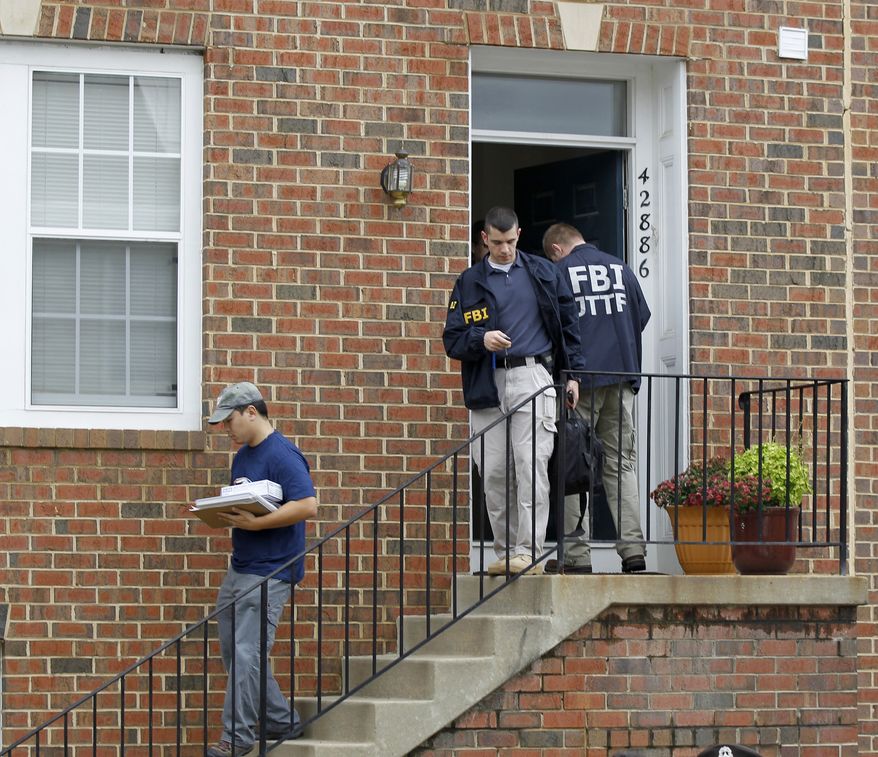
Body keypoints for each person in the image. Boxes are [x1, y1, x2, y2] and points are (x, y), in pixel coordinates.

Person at [443, 206, 585, 575]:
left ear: (519, 234)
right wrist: (482, 338)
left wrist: (572, 375)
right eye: (497, 242)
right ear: (484, 239)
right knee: (492, 473)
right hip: (486, 383)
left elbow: (568, 324)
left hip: (533, 375)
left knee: (531, 466)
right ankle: (506, 552)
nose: (505, 249)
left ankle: (528, 550)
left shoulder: (543, 272)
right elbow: (452, 339)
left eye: (510, 241)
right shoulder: (469, 281)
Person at [204, 382, 318, 757]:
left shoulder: (283, 454)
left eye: (230, 420)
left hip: (271, 571)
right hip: (241, 566)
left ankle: (236, 739)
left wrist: (257, 525)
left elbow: (307, 505)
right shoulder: (242, 457)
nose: (227, 429)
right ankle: (282, 721)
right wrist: (221, 516)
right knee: (236, 654)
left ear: (252, 412)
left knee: (247, 654)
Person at [542, 222, 651, 574]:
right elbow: (642, 317)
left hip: (579, 381)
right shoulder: (621, 269)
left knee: (573, 464)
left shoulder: (559, 272)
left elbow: (549, 330)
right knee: (621, 466)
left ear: (557, 249)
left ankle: (576, 556)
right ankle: (634, 553)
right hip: (621, 378)